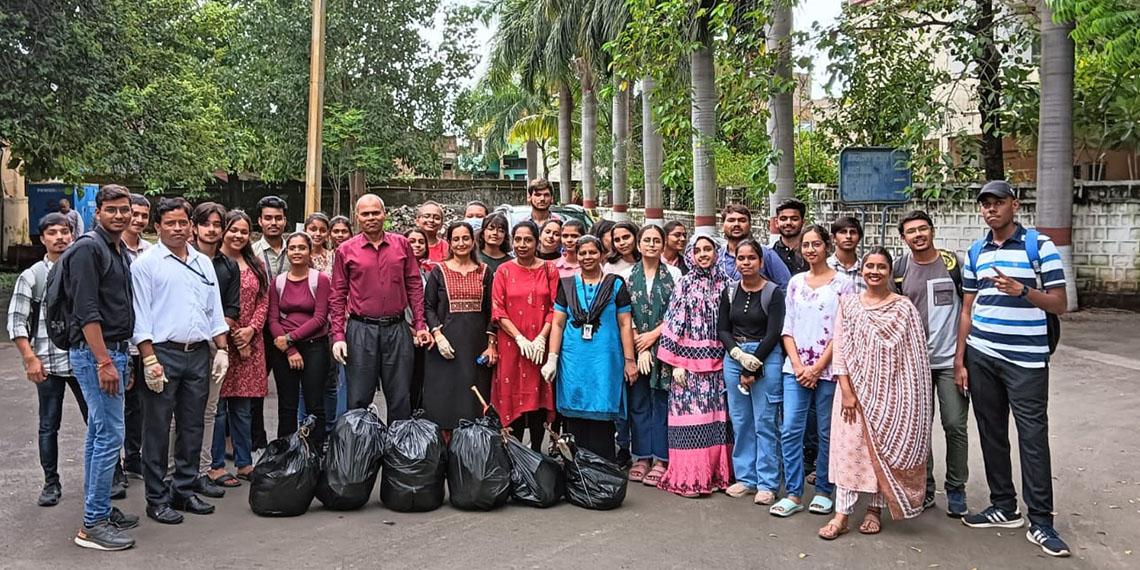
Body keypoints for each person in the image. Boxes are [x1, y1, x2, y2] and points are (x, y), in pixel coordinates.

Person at [957, 181, 1071, 557]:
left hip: (1026, 360)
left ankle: (1042, 522)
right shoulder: (976, 251)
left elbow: (1059, 304)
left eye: (998, 202)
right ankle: (1004, 506)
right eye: (985, 204)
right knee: (991, 433)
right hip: (982, 355)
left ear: (1014, 205)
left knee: (1033, 438)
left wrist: (1022, 290)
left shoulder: (1039, 246)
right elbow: (967, 309)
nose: (991, 209)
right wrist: (960, 359)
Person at [818, 247, 933, 540]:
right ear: (862, 270)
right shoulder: (849, 305)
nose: (874, 272)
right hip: (853, 393)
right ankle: (842, 515)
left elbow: (914, 359)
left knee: (880, 453)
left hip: (891, 396)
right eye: (869, 266)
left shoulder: (904, 308)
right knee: (849, 453)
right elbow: (840, 349)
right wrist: (846, 390)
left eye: (881, 267)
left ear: (890, 272)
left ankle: (874, 510)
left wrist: (903, 399)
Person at [131, 198, 230, 525]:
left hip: (198, 353)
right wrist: (148, 359)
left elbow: (214, 310)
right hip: (162, 353)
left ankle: (184, 489)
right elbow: (140, 315)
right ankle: (156, 498)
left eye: (182, 223)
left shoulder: (203, 263)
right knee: (157, 429)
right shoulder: (146, 265)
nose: (177, 228)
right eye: (170, 223)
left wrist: (222, 349)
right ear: (157, 226)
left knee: (192, 425)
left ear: (190, 225)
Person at [60, 184, 137, 550]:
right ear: (97, 211)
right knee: (109, 437)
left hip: (113, 353)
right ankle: (93, 524)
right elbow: (86, 310)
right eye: (112, 209)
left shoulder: (115, 249)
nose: (120, 215)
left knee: (98, 434)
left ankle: (100, 509)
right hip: (97, 355)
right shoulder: (88, 249)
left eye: (125, 209)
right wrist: (105, 361)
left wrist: (123, 358)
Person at [770, 224, 855, 518]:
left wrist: (818, 367)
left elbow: (843, 330)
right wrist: (797, 365)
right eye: (805, 245)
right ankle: (793, 493)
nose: (810, 249)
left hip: (830, 369)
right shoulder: (795, 282)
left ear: (827, 246)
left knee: (826, 432)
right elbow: (788, 328)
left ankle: (823, 491)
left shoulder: (843, 284)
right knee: (790, 429)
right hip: (795, 369)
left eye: (816, 244)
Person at [7, 213, 87, 507]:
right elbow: (16, 322)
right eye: (52, 232)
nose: (60, 237)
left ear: (72, 235)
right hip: (48, 363)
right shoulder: (33, 276)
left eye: (65, 231)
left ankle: (112, 475)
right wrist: (30, 358)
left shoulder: (82, 270)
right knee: (48, 425)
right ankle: (51, 483)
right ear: (42, 239)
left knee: (97, 421)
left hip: (82, 360)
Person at [894, 210, 970, 517]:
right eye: (911, 231)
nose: (918, 235)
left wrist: (962, 360)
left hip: (951, 361)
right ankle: (924, 487)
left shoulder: (954, 264)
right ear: (903, 238)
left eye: (923, 229)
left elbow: (967, 310)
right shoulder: (899, 269)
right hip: (915, 365)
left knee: (955, 425)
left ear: (933, 231)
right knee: (919, 431)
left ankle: (956, 488)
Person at [330, 194, 432, 420]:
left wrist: (420, 324)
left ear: (384, 215)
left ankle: (398, 442)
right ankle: (361, 441)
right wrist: (338, 335)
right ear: (357, 217)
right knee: (358, 397)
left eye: (375, 213)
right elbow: (337, 295)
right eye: (365, 214)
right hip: (360, 330)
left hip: (397, 329)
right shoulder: (345, 250)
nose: (371, 218)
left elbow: (414, 285)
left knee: (400, 397)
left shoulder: (402, 244)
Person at [542, 235, 637, 460]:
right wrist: (552, 358)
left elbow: (625, 324)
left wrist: (630, 360)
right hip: (573, 361)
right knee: (574, 416)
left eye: (592, 252)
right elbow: (558, 323)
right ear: (576, 255)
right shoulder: (567, 285)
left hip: (606, 361)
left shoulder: (615, 285)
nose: (587, 257)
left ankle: (602, 471)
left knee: (602, 415)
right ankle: (576, 471)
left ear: (602, 254)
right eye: (582, 253)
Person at [655, 235, 733, 498]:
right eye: (697, 250)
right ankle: (690, 477)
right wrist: (676, 363)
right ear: (691, 255)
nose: (703, 254)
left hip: (720, 363)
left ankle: (716, 475)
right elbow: (673, 321)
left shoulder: (727, 284)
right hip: (687, 366)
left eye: (707, 249)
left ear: (716, 252)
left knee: (718, 421)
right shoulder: (685, 283)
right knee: (691, 420)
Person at [718, 239, 786, 505]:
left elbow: (774, 333)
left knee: (765, 421)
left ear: (761, 261)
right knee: (741, 420)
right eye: (741, 258)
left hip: (765, 356)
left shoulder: (773, 292)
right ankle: (746, 478)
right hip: (735, 355)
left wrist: (753, 364)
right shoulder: (730, 291)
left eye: (751, 258)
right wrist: (737, 354)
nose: (746, 263)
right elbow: (723, 328)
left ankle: (767, 482)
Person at [210, 210, 269, 484]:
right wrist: (235, 336)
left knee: (244, 409)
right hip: (220, 342)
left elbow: (264, 300)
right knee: (218, 409)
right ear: (223, 231)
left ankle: (245, 463)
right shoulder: (213, 263)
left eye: (244, 231)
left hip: (251, 344)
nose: (238, 235)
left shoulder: (256, 263)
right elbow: (214, 305)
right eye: (233, 230)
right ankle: (216, 465)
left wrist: (251, 330)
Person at [619, 225, 681, 486]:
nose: (652, 245)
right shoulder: (625, 276)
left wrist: (653, 337)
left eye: (657, 240)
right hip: (635, 346)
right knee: (639, 401)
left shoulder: (675, 274)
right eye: (647, 240)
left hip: (665, 345)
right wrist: (640, 347)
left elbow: (677, 312)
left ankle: (661, 459)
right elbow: (624, 314)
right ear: (639, 244)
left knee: (662, 402)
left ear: (663, 244)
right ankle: (642, 456)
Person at [422, 222, 497, 433]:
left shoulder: (484, 272)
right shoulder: (439, 271)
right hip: (445, 347)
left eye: (466, 238)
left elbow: (492, 309)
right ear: (449, 242)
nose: (461, 243)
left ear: (473, 241)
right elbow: (428, 306)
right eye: (456, 239)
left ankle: (473, 444)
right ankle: (444, 446)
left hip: (475, 347)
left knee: (473, 399)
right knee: (444, 398)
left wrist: (491, 344)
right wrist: (437, 334)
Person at [491, 221, 558, 451]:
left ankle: (537, 453)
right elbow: (498, 309)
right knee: (512, 397)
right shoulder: (503, 270)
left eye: (528, 240)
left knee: (538, 398)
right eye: (518, 239)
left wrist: (541, 338)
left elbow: (556, 308)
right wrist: (519, 338)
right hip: (511, 346)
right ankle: (516, 454)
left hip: (540, 346)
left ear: (536, 242)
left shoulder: (550, 270)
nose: (522, 244)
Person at [188, 202, 240, 498]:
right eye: (205, 223)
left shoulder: (228, 265)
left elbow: (231, 308)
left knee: (210, 409)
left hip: (216, 342)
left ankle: (204, 469)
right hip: (183, 343)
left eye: (217, 224)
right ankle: (173, 472)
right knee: (179, 413)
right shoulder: (183, 259)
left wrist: (219, 340)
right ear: (194, 227)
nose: (211, 230)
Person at [268, 232, 332, 447]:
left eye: (302, 248)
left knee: (315, 404)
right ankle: (286, 453)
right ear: (287, 252)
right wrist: (289, 348)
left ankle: (314, 452)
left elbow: (320, 318)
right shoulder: (278, 283)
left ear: (309, 251)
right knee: (287, 405)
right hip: (284, 351)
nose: (297, 252)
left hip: (314, 347)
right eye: (292, 248)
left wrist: (290, 338)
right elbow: (273, 319)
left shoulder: (319, 280)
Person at [115, 193, 152, 495]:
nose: (138, 220)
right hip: (119, 341)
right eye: (134, 214)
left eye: (143, 215)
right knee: (117, 407)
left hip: (145, 342)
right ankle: (114, 466)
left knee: (140, 404)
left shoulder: (150, 252)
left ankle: (134, 457)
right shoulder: (112, 249)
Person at [251, 195, 288, 452]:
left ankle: (287, 443)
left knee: (288, 390)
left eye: (278, 218)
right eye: (268, 218)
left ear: (285, 221)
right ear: (260, 221)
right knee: (256, 389)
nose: (273, 223)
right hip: (259, 329)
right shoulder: (251, 252)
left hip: (289, 328)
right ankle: (257, 442)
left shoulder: (296, 248)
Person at [719, 204, 791, 290]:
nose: (736, 224)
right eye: (731, 220)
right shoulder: (717, 256)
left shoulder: (766, 254)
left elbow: (786, 287)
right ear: (722, 225)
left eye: (742, 220)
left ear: (750, 225)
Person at [828, 216, 866, 292]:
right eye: (843, 232)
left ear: (859, 238)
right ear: (833, 238)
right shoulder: (825, 267)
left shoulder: (867, 269)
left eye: (853, 232)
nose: (848, 236)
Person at [771, 198, 808, 275]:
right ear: (776, 223)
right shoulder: (770, 254)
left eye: (794, 219)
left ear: (803, 223)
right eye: (783, 219)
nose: (788, 223)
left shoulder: (810, 253)